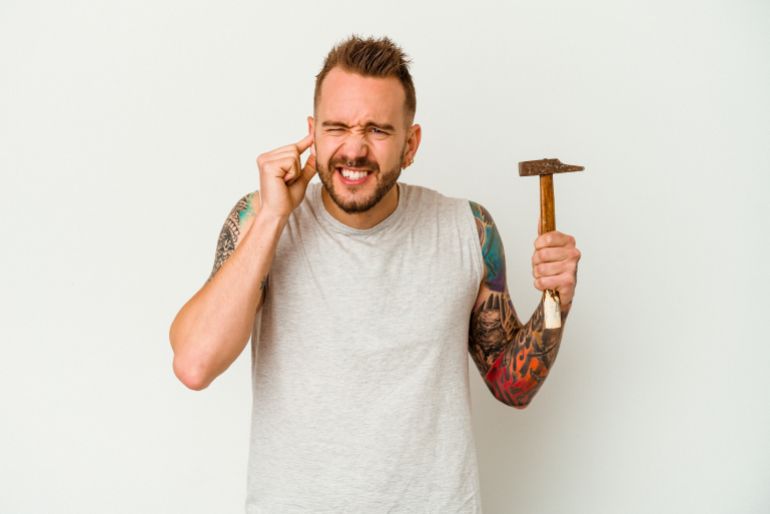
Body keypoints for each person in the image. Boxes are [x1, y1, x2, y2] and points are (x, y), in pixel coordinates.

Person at [169, 34, 581, 513]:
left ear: (411, 143)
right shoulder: (259, 220)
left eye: (379, 131)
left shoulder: (467, 229)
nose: (355, 149)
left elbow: (513, 388)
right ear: (312, 132)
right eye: (336, 127)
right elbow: (194, 365)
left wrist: (556, 302)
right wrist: (272, 218)